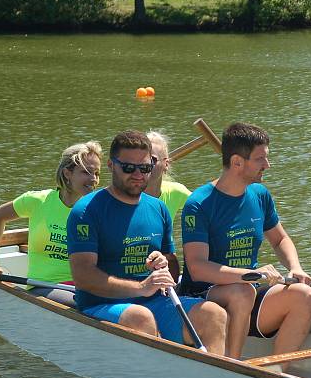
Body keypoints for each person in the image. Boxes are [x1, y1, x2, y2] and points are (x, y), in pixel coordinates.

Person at [67, 130, 227, 353]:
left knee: (213, 313)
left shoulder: (158, 208)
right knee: (140, 317)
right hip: (102, 304)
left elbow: (170, 272)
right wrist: (141, 287)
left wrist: (164, 262)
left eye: (145, 168)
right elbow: (83, 277)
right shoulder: (86, 211)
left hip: (153, 302)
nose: (138, 174)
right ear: (111, 165)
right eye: (129, 168)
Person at [179, 123, 311, 361]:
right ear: (237, 163)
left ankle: (277, 374)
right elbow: (197, 267)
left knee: (305, 296)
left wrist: (295, 267)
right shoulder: (199, 204)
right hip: (202, 297)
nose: (267, 165)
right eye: (260, 159)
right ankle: (233, 366)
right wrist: (251, 275)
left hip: (246, 290)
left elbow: (280, 239)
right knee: (242, 292)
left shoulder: (260, 195)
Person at [0, 141, 102, 306]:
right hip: (43, 286)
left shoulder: (98, 209)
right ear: (67, 173)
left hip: (84, 287)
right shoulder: (38, 201)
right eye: (87, 172)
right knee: (85, 305)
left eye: (96, 173)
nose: (93, 179)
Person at [145, 131, 191, 228]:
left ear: (166, 164)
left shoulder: (176, 191)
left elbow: (206, 208)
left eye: (152, 159)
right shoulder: (126, 196)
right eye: (141, 159)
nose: (145, 164)